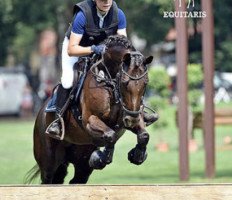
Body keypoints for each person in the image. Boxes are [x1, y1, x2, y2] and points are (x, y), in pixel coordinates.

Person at [47, 0, 158, 139]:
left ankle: (139, 111)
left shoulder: (119, 14)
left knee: (127, 76)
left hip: (104, 52)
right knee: (68, 80)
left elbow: (123, 44)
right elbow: (72, 49)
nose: (106, 2)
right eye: (102, 0)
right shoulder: (82, 15)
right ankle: (58, 119)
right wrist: (93, 49)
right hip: (76, 49)